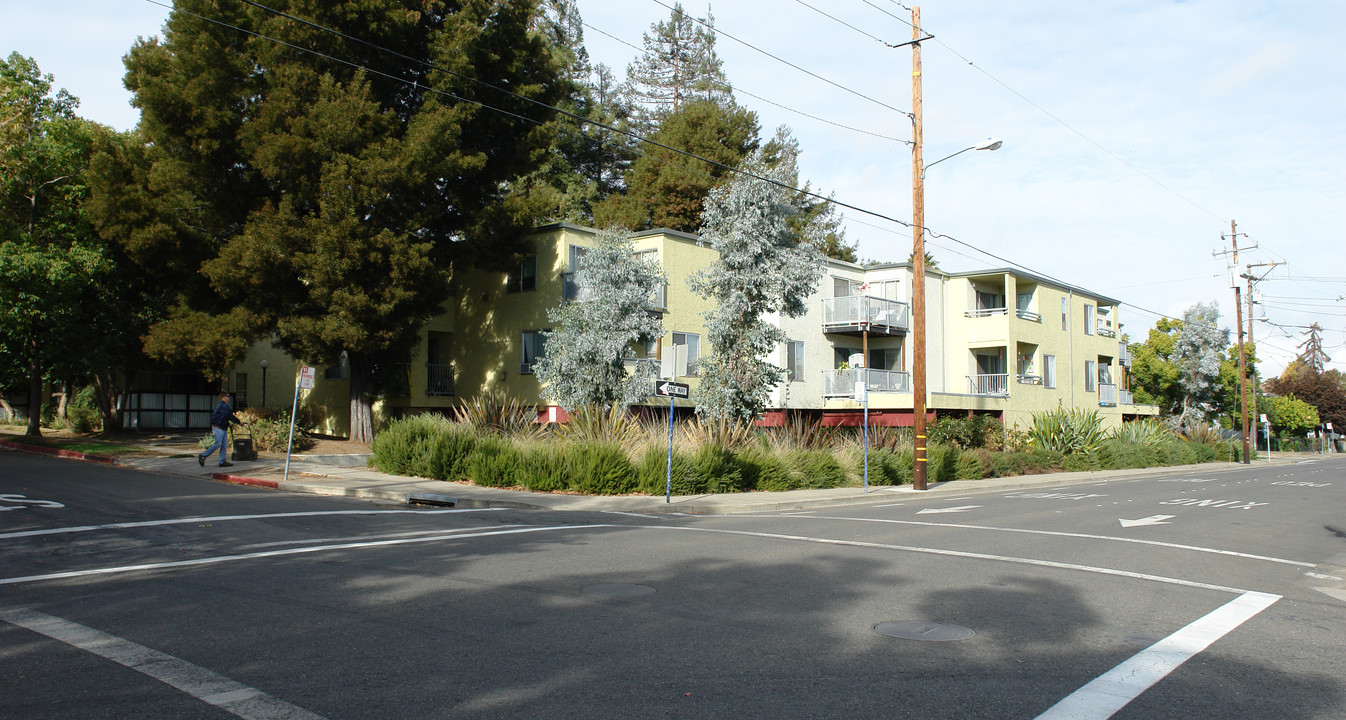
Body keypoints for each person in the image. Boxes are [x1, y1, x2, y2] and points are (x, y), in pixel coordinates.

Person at [198, 391, 245, 468]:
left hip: (222, 428)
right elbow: (229, 416)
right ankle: (203, 455)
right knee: (218, 444)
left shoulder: (224, 406)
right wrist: (239, 422)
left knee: (224, 445)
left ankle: (222, 461)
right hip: (218, 428)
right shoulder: (223, 406)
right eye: (227, 396)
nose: (229, 398)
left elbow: (224, 417)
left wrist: (229, 424)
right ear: (223, 397)